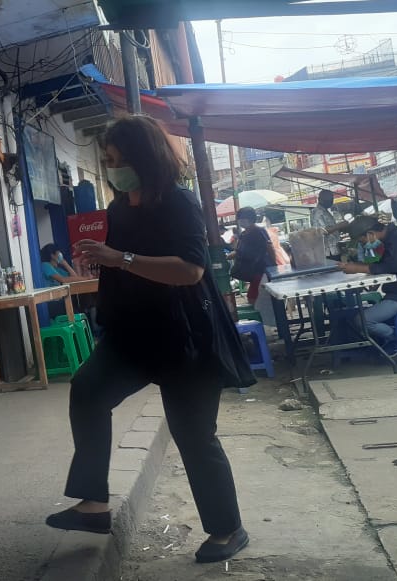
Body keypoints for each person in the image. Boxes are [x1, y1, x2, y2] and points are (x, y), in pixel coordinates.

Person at [45, 115, 254, 564]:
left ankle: (228, 529)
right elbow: (123, 265)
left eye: (117, 159)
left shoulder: (180, 204)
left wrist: (119, 257)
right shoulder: (119, 207)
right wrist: (101, 266)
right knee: (87, 390)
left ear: (145, 158)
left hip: (187, 337)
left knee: (193, 434)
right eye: (106, 160)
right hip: (133, 334)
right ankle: (94, 504)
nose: (111, 167)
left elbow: (190, 271)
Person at [340, 215, 397, 352]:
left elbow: (391, 267)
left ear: (370, 234)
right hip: (394, 293)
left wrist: (357, 269)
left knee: (362, 321)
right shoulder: (391, 238)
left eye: (362, 241)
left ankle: (395, 339)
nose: (363, 245)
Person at [230, 206, 275, 305]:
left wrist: (274, 265)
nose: (240, 221)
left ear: (249, 219)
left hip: (261, 269)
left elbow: (270, 247)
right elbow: (238, 251)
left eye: (241, 219)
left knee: (253, 298)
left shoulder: (259, 231)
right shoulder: (243, 234)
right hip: (252, 271)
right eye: (239, 219)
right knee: (254, 297)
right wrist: (227, 256)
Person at [310, 189, 348, 261]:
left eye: (331, 199)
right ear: (320, 199)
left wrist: (340, 229)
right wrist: (340, 225)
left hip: (334, 249)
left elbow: (331, 228)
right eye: (328, 200)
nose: (331, 202)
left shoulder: (326, 211)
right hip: (327, 251)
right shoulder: (317, 212)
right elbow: (323, 231)